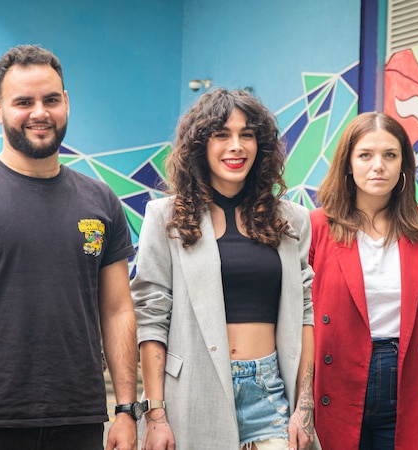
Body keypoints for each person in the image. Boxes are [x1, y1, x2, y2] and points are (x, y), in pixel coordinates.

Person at [0, 45, 138, 450]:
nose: (40, 112)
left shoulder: (101, 201)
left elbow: (118, 309)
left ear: (66, 103)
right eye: (23, 102)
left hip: (80, 419)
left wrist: (126, 409)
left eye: (51, 99)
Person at [131, 88, 315, 450]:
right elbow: (151, 319)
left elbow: (305, 314)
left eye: (247, 135)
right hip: (192, 393)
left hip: (269, 392)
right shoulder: (165, 217)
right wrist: (155, 414)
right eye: (222, 135)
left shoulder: (292, 221)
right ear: (200, 144)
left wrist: (303, 408)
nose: (236, 146)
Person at [309, 112, 418, 450]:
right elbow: (298, 321)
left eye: (390, 155)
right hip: (334, 378)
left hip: (409, 374)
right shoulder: (315, 227)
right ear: (348, 164)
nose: (378, 165)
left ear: (403, 166)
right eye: (366, 155)